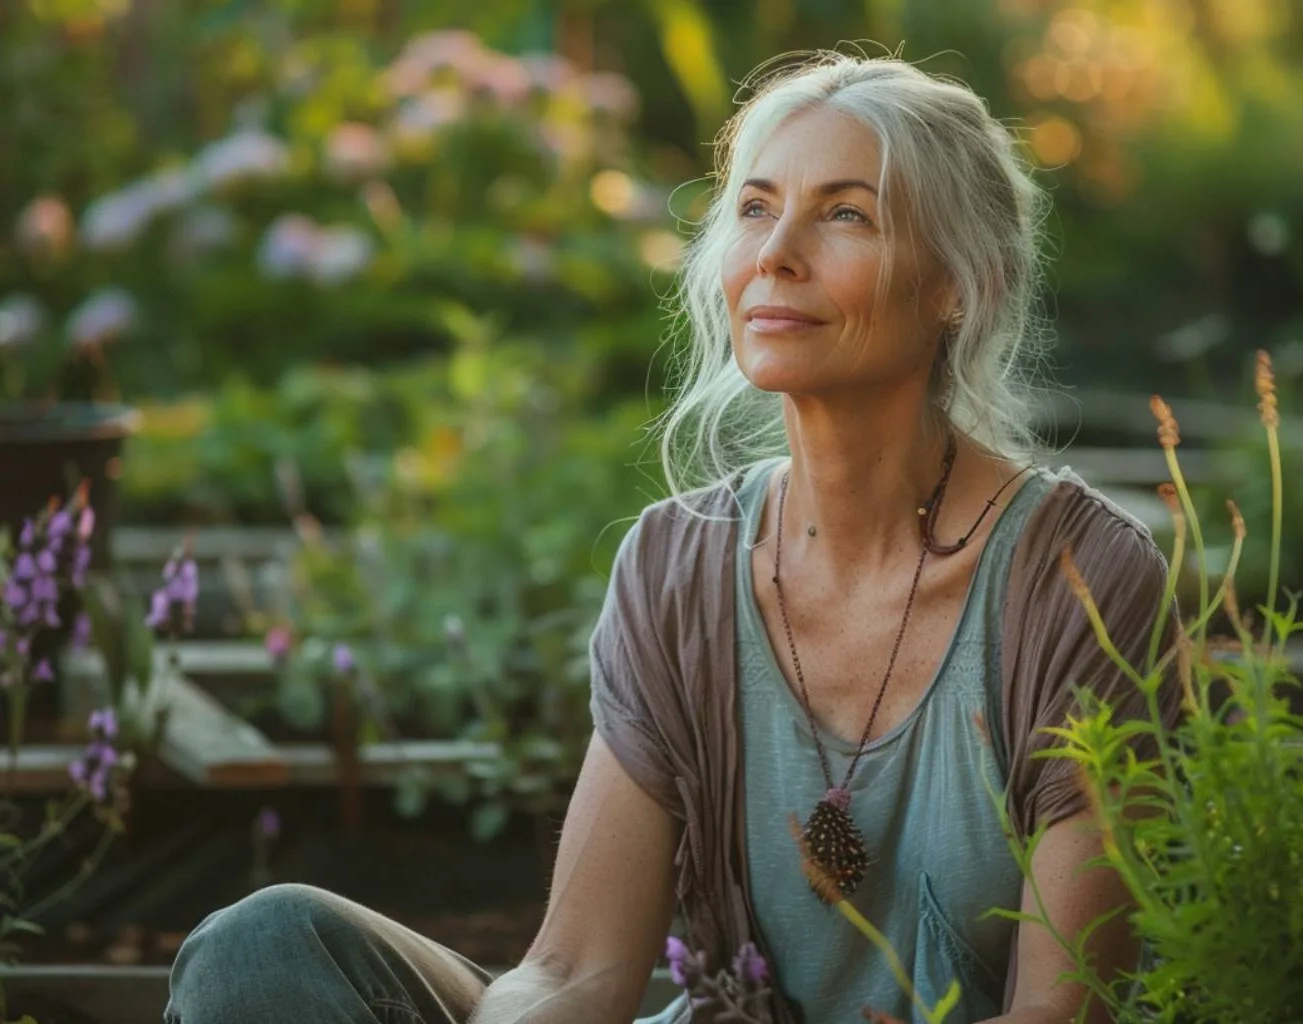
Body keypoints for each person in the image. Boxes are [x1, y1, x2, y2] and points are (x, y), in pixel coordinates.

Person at [164, 50, 1175, 1024]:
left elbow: (1063, 1005)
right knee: (265, 944)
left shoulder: (1078, 581)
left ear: (962, 283)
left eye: (845, 215)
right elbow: (574, 972)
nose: (776, 252)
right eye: (755, 207)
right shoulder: (679, 565)